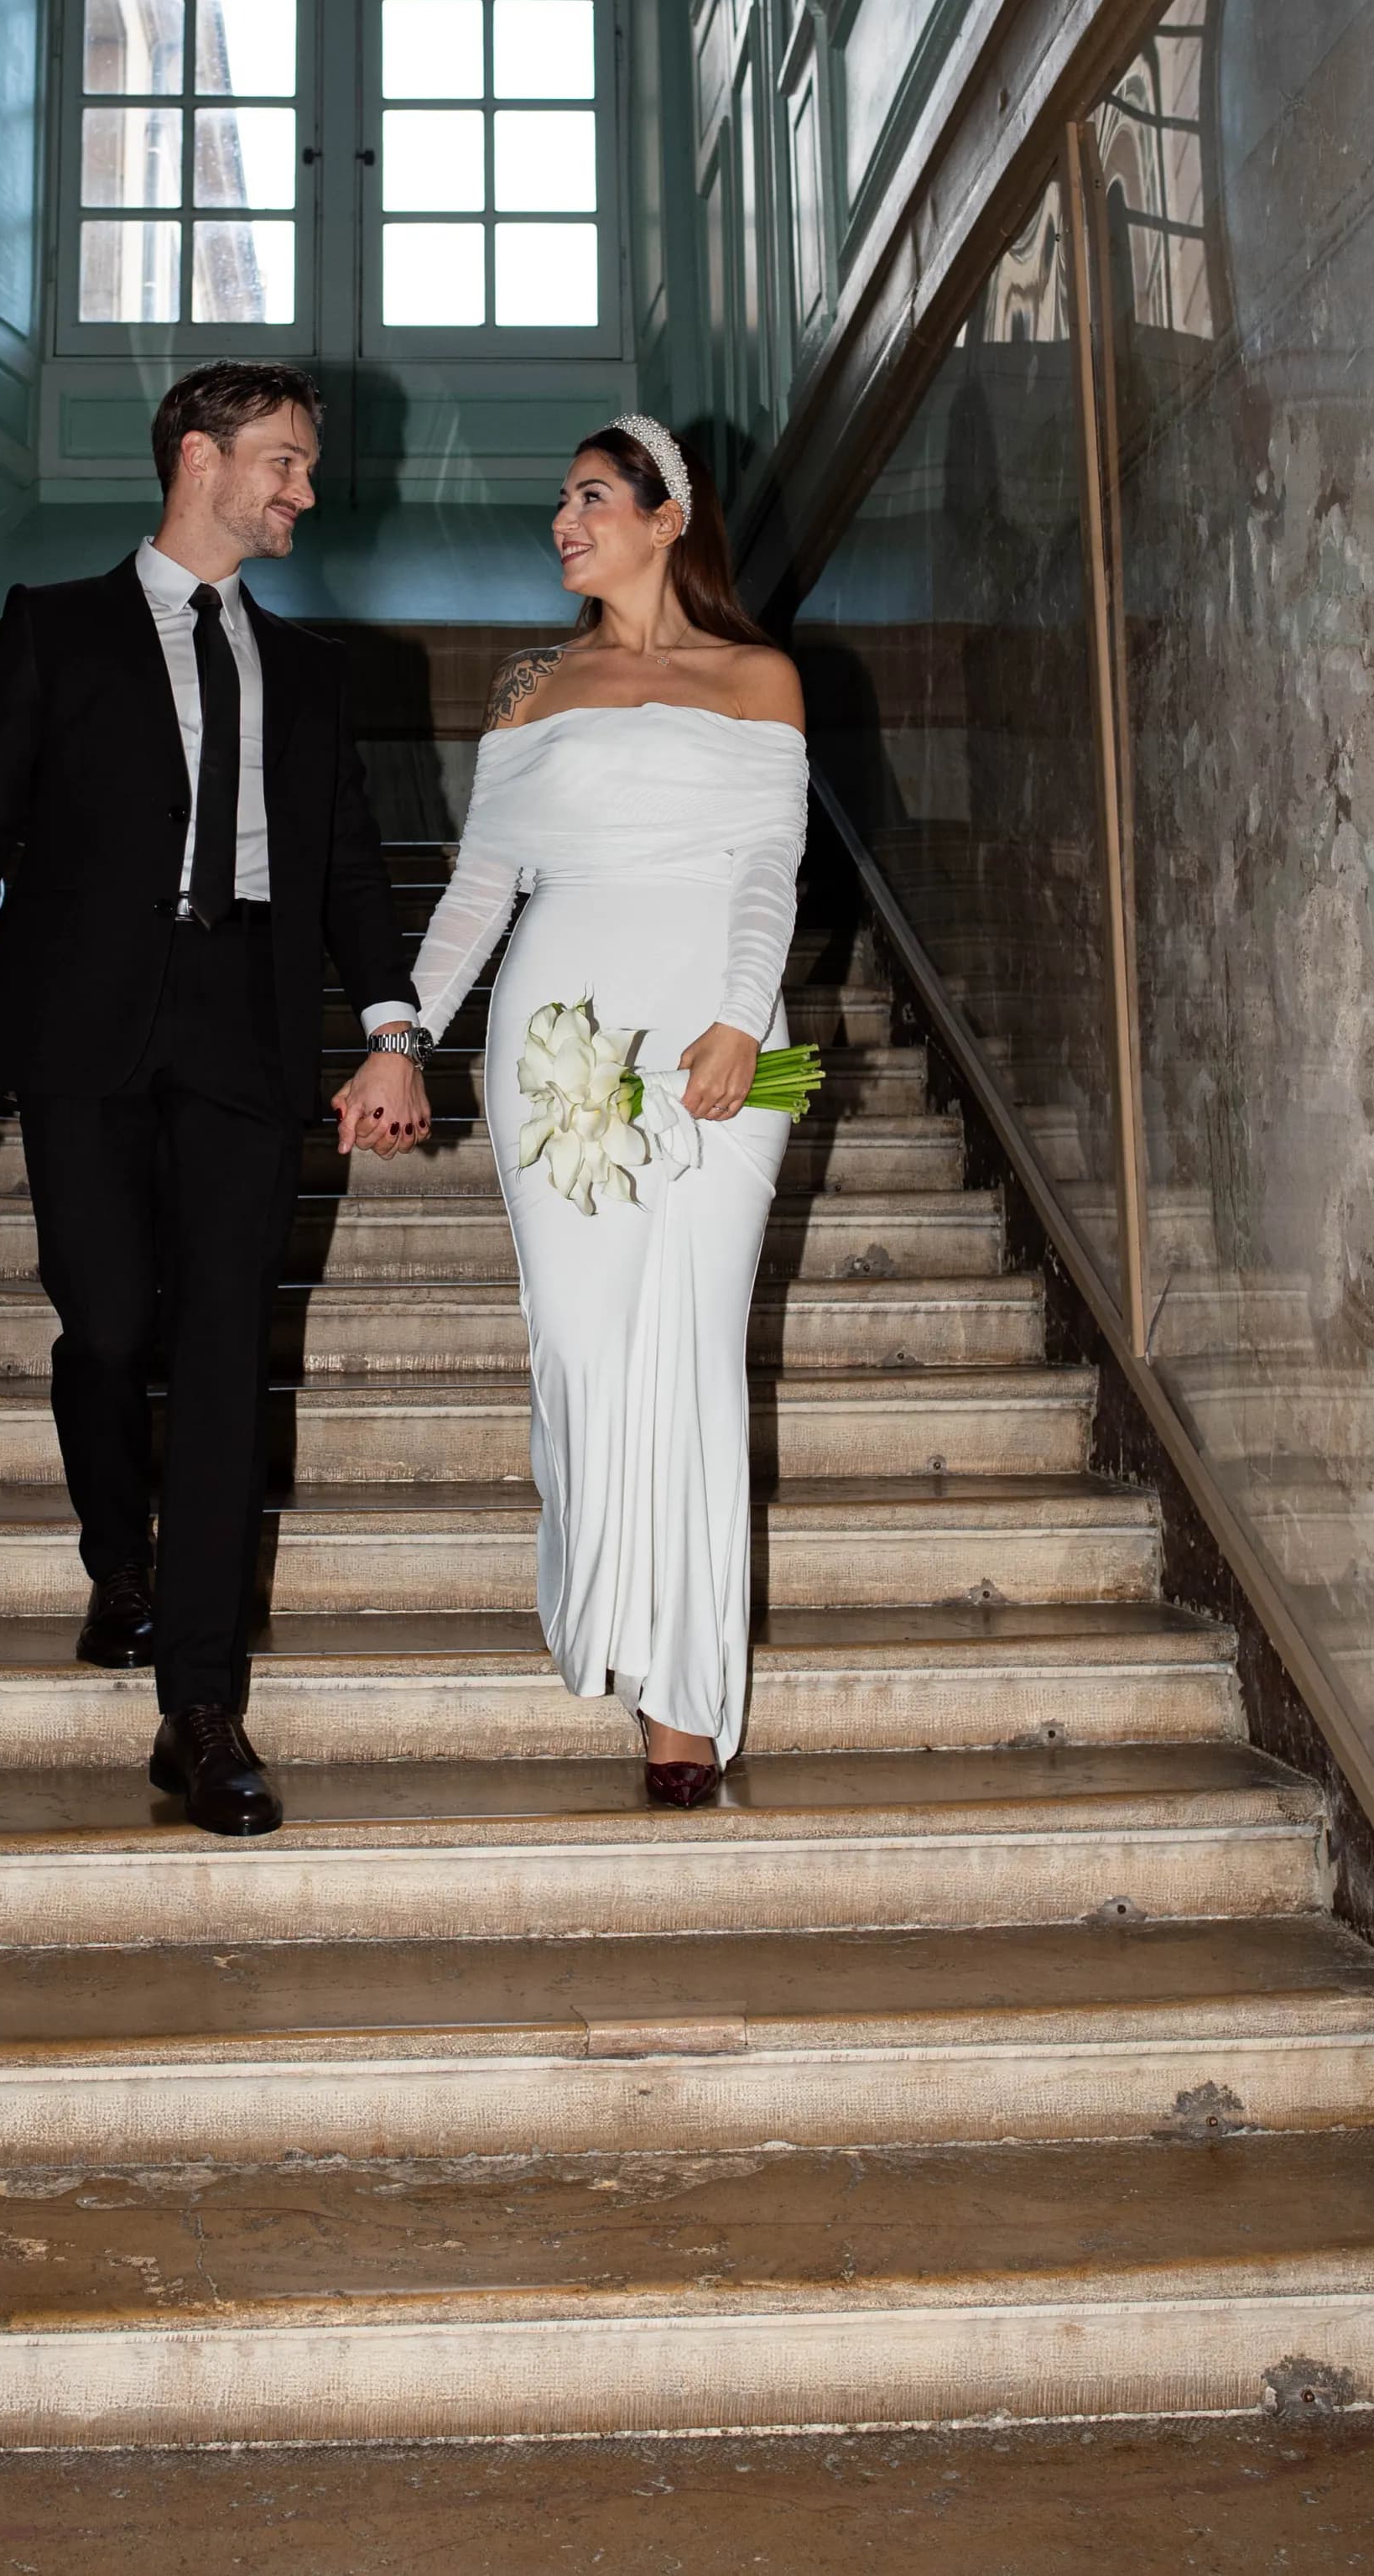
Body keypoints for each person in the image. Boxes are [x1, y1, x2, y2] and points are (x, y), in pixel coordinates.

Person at [0, 362, 432, 1838]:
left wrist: (390, 1028)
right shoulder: (55, 632)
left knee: (221, 1347)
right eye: (287, 465)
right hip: (84, 1032)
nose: (305, 493)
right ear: (200, 459)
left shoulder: (312, 672)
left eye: (305, 469)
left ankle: (201, 1709)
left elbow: (348, 869)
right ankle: (112, 1550)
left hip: (249, 1031)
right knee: (109, 1321)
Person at [408, 417, 807, 1805]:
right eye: (560, 501)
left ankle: (682, 1697)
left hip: (717, 1031)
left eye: (588, 497)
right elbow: (478, 891)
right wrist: (402, 1033)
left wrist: (741, 1021)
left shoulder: (756, 676)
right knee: (580, 1347)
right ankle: (614, 1630)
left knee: (688, 1347)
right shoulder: (531, 686)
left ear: (666, 516)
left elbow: (768, 866)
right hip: (554, 1038)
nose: (563, 522)